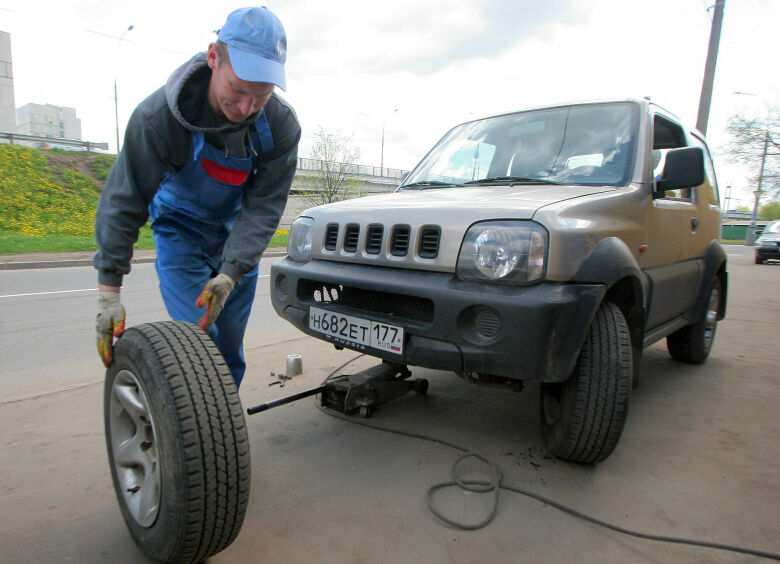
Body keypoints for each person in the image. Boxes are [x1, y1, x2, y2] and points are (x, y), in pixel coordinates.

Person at [94, 7, 301, 387]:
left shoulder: (280, 126)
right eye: (237, 90)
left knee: (230, 351)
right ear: (212, 58)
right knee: (199, 343)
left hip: (236, 236)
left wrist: (232, 271)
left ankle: (219, 436)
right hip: (180, 233)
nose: (245, 108)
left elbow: (263, 207)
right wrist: (109, 294)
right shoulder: (158, 119)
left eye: (261, 96)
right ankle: (196, 428)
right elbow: (124, 202)